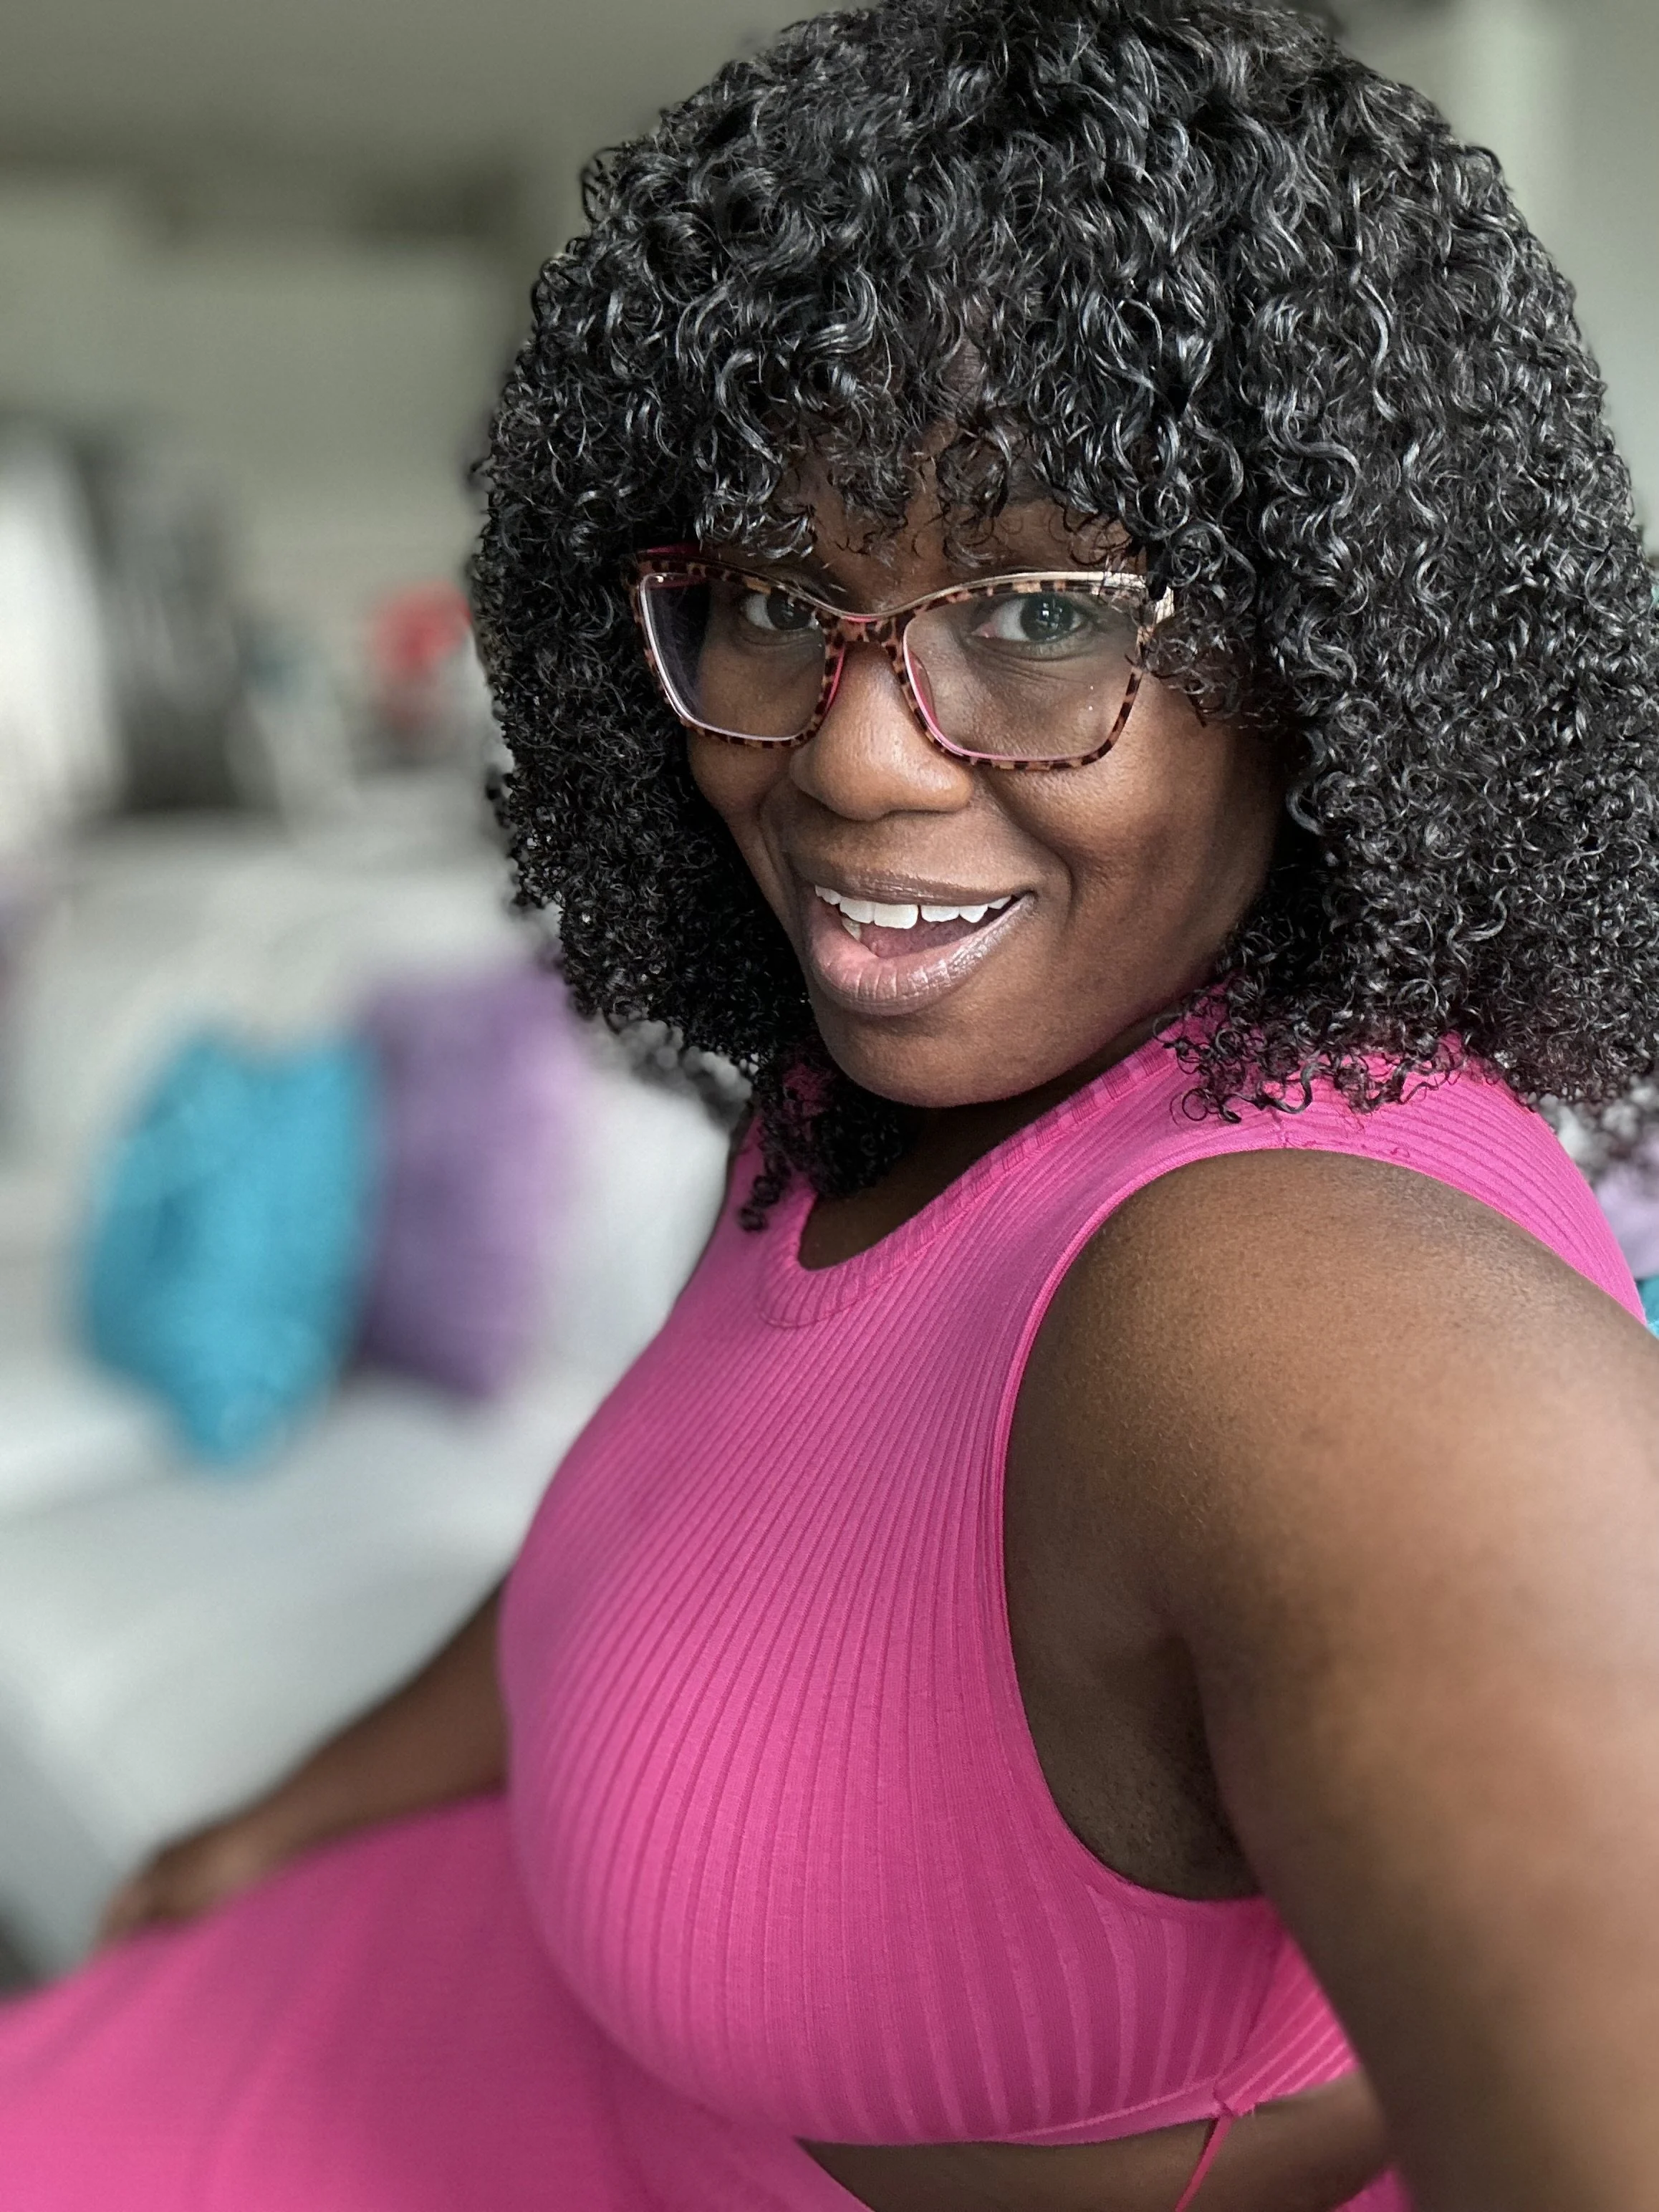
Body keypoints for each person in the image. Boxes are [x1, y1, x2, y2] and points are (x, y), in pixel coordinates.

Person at [6, 1, 1659, 2205]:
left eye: (1048, 608)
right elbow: (662, 1532)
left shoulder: (1302, 1311)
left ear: (1338, 654)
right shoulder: (861, 1087)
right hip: (403, 2011)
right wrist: (308, 1800)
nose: (853, 757)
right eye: (775, 603)